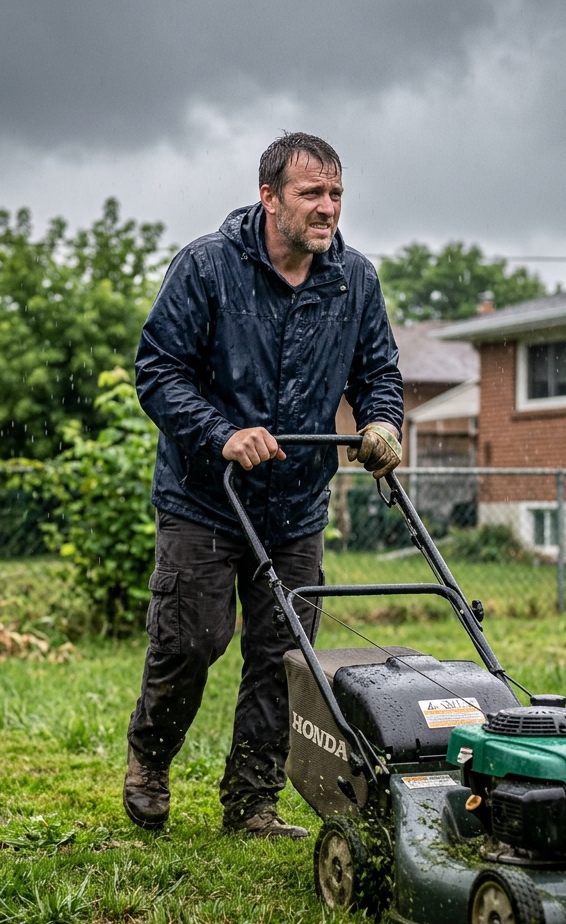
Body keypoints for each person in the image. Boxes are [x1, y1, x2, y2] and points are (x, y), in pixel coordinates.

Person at [126, 132, 403, 838]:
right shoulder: (208, 267)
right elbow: (158, 371)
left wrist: (380, 423)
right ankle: (150, 759)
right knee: (192, 640)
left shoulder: (354, 280)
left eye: (337, 194)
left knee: (283, 659)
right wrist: (222, 431)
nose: (328, 208)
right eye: (312, 193)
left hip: (297, 503)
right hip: (203, 497)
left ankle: (252, 804)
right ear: (269, 197)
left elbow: (378, 375)